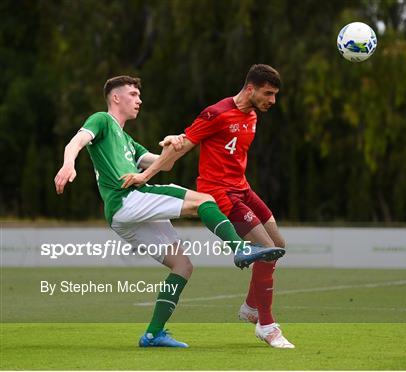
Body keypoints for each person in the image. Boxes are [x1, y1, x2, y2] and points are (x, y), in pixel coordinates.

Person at [53, 75, 285, 348]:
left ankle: (153, 334)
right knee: (204, 201)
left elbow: (162, 164)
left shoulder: (128, 140)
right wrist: (69, 164)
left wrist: (171, 144)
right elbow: (76, 141)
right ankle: (239, 248)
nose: (138, 100)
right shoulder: (102, 121)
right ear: (115, 98)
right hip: (127, 199)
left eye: (139, 95)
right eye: (132, 94)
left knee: (182, 266)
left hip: (122, 217)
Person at [120, 65, 295, 348]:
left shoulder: (252, 115)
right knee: (265, 250)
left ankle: (251, 307)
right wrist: (144, 176)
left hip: (243, 189)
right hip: (220, 194)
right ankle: (267, 325)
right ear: (250, 88)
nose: (273, 101)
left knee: (278, 244)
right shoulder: (217, 113)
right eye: (269, 93)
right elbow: (183, 145)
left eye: (275, 95)